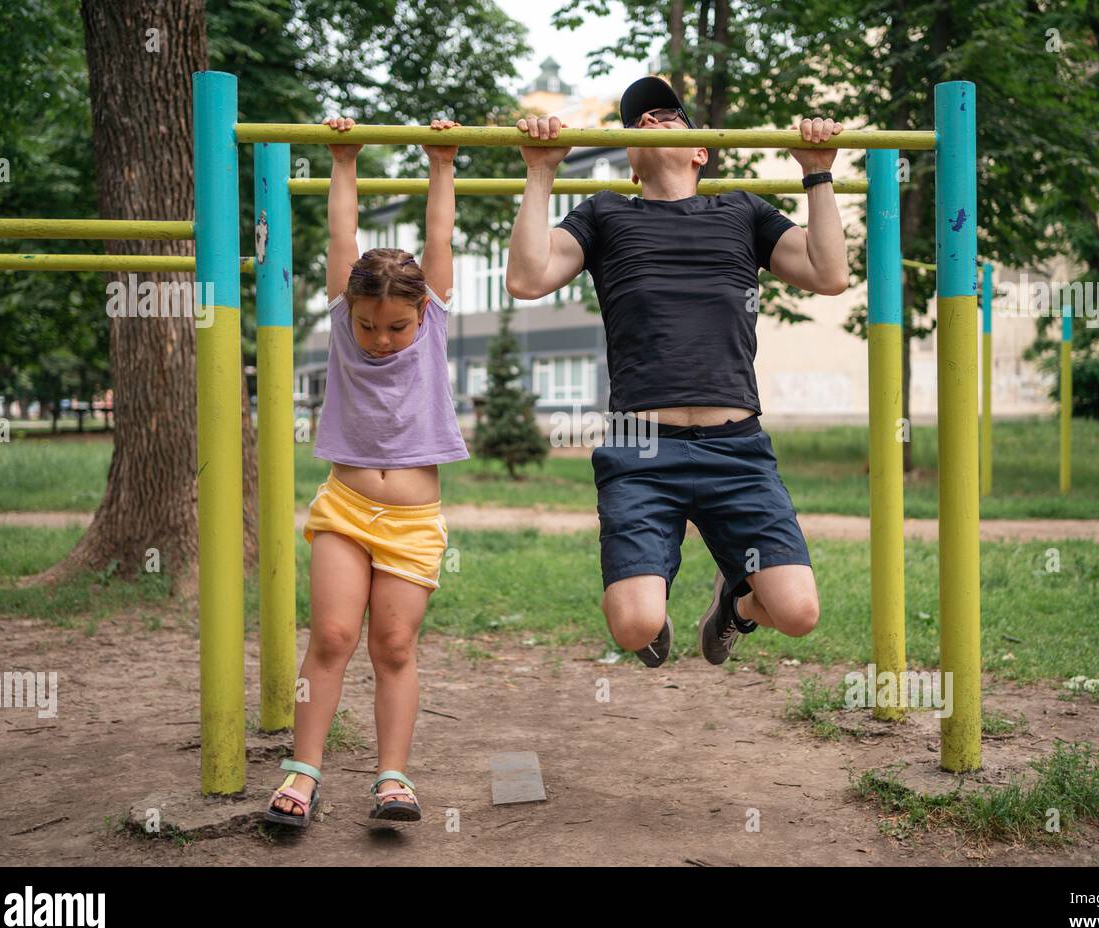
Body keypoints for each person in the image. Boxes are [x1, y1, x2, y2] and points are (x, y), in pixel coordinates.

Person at [505, 76, 847, 668]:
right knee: (635, 625)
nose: (652, 121)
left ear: (700, 149)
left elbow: (828, 273)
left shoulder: (742, 211)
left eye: (667, 114)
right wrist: (540, 173)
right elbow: (527, 279)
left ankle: (735, 604)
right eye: (639, 121)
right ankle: (650, 614)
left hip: (734, 447)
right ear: (631, 164)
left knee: (797, 613)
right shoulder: (606, 215)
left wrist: (817, 171)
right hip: (641, 448)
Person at [265, 116, 469, 828]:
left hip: (413, 523)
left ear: (420, 314)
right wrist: (343, 161)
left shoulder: (433, 320)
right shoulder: (343, 318)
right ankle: (303, 770)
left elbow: (438, 239)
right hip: (345, 510)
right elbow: (339, 240)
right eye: (368, 326)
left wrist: (441, 162)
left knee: (393, 646)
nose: (380, 340)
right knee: (329, 638)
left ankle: (392, 779)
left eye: (395, 327)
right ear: (349, 313)